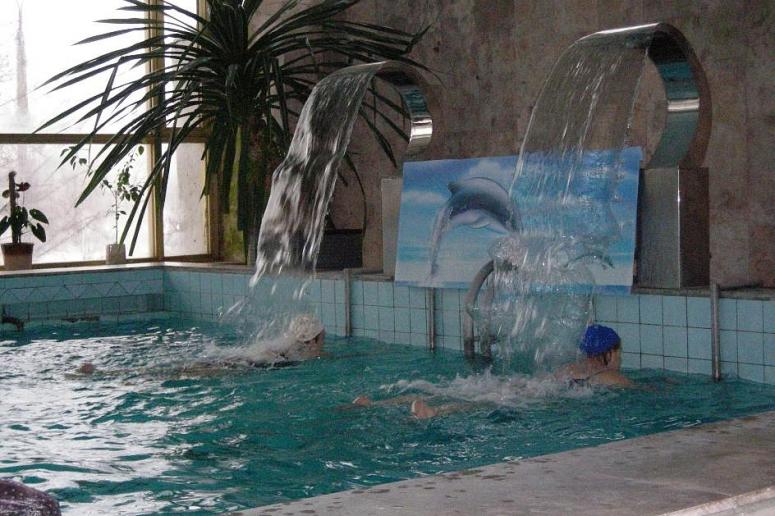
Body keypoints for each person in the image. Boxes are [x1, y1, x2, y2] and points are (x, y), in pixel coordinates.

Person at [353, 323, 632, 419]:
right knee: (480, 404)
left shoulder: (569, 368)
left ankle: (377, 404)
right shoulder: (608, 376)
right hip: (540, 395)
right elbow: (640, 391)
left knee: (462, 393)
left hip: (527, 384)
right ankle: (435, 412)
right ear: (609, 353)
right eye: (618, 352)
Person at [71, 314, 327, 377]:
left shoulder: (282, 345)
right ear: (313, 339)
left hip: (237, 359)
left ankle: (108, 373)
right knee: (180, 372)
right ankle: (107, 374)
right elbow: (314, 358)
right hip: (241, 366)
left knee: (180, 369)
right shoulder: (301, 355)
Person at [557, 324, 632, 388]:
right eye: (619, 353)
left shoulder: (566, 370)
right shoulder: (614, 379)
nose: (620, 359)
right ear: (609, 354)